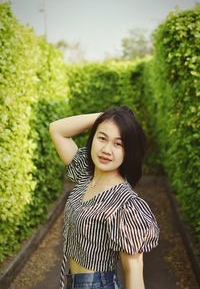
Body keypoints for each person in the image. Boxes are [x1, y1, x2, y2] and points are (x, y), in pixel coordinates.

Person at [49, 106, 160, 289]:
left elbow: (134, 269)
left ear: (128, 151)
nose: (107, 150)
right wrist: (107, 117)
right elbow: (57, 129)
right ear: (93, 139)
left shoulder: (126, 204)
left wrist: (114, 120)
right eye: (102, 138)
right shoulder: (86, 174)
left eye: (119, 143)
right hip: (71, 281)